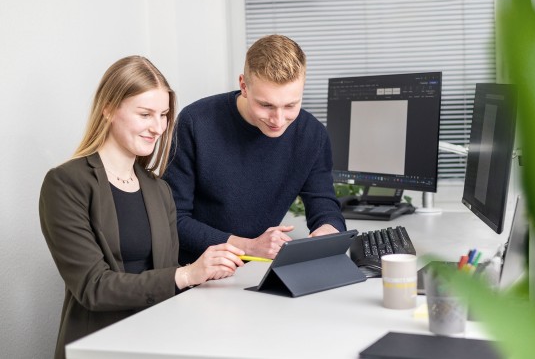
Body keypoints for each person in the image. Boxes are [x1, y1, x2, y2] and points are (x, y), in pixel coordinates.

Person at [39, 56, 245, 359]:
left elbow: (164, 273)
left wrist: (209, 272)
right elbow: (93, 287)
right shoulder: (66, 183)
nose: (158, 127)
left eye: (163, 115)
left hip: (159, 341)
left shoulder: (159, 189)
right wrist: (187, 274)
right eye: (145, 114)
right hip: (100, 346)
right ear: (108, 108)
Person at [164, 34, 346, 264]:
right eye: (266, 105)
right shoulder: (196, 122)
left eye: (291, 105)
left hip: (259, 267)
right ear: (243, 86)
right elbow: (174, 220)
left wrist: (327, 231)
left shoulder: (312, 134)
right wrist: (248, 246)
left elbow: (323, 202)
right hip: (197, 267)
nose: (278, 120)